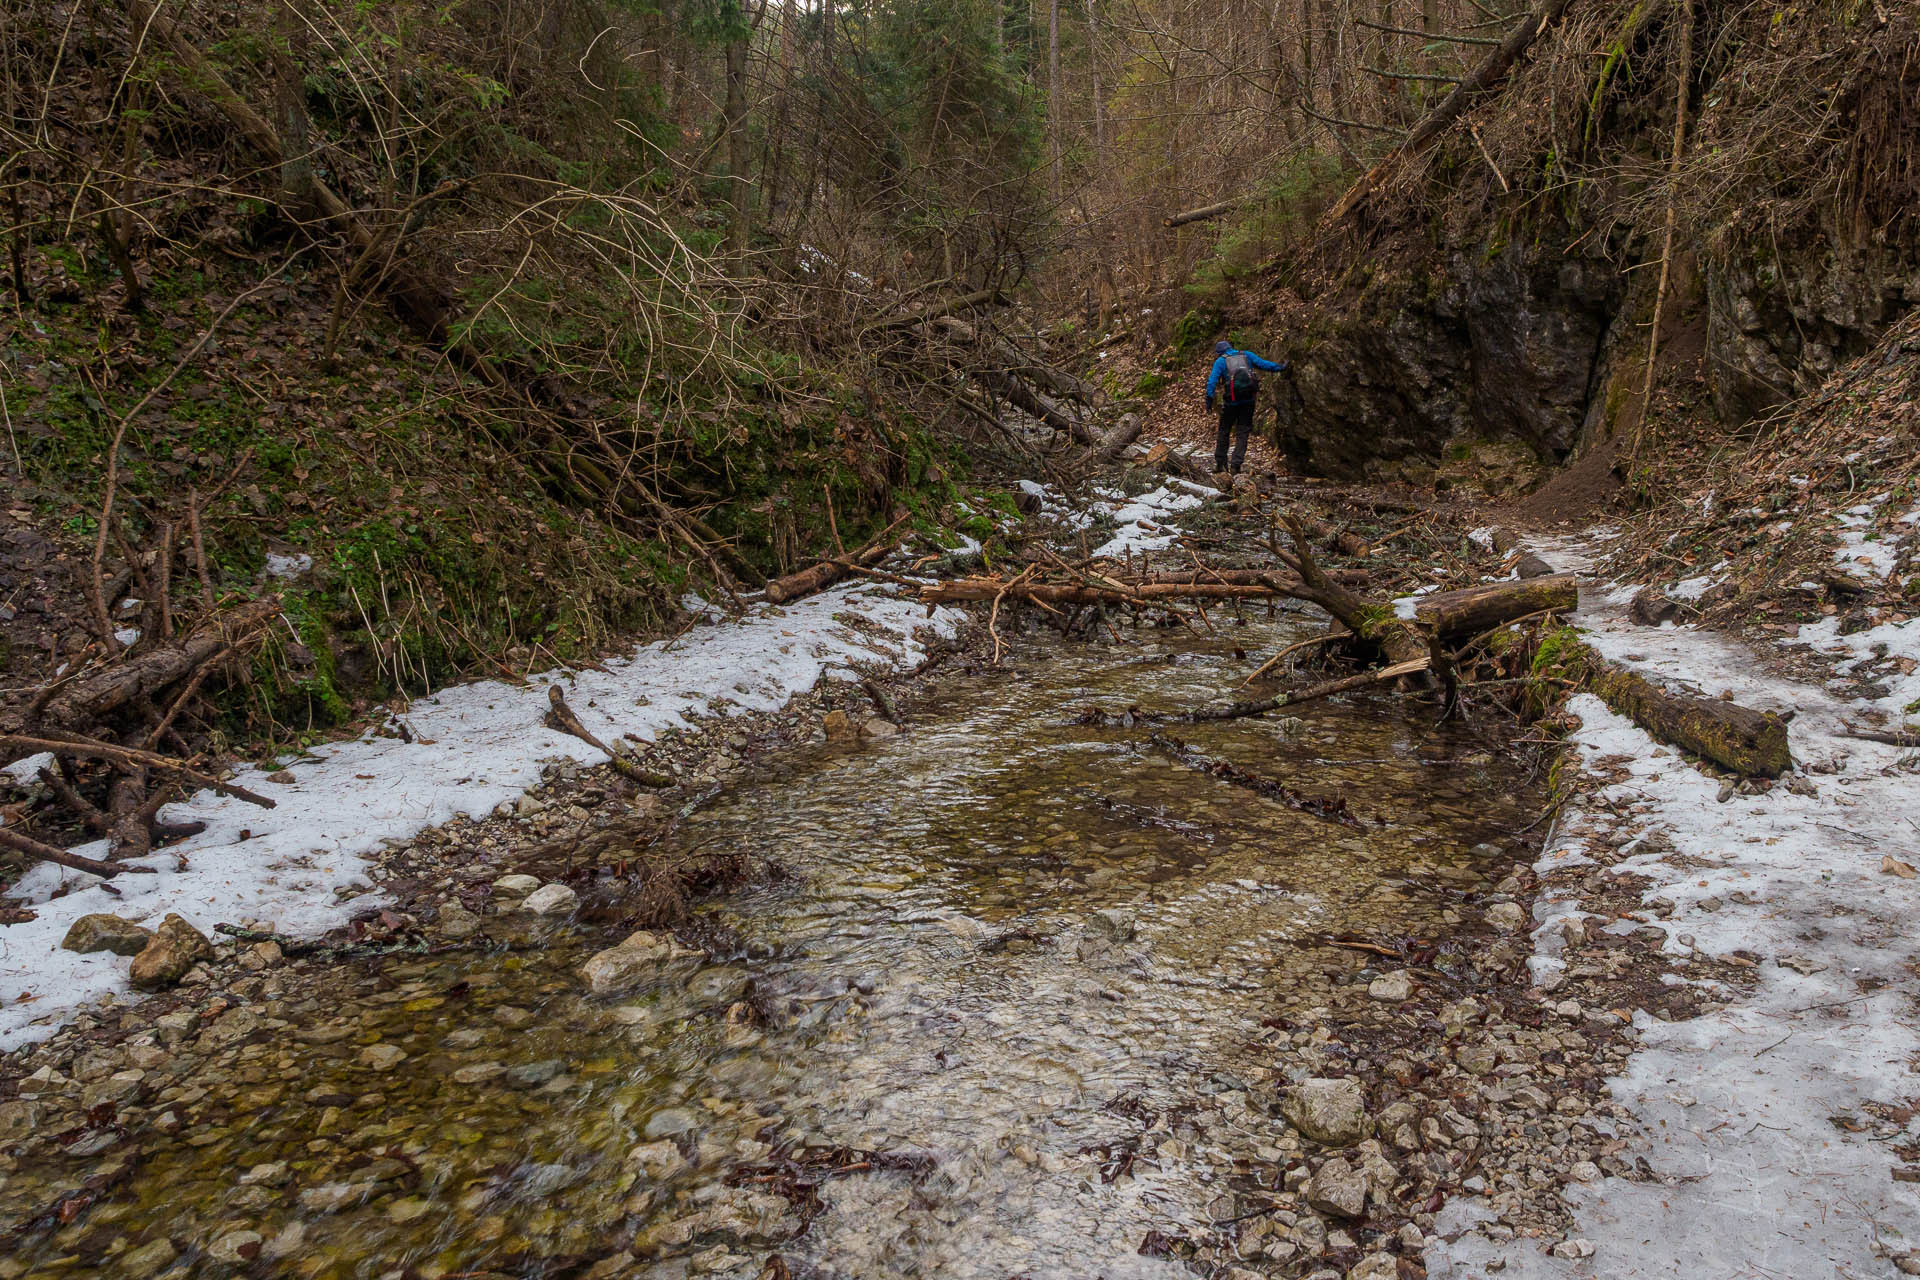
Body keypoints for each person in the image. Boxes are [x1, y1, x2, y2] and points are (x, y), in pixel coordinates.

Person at [1203, 339, 1286, 475]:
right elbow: (1264, 364)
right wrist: (1280, 367)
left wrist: (1209, 401)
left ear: (1219, 353)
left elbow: (1212, 382)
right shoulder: (1247, 355)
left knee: (1224, 431)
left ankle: (1221, 464)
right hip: (1248, 401)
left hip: (1231, 403)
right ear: (1231, 347)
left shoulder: (1220, 361)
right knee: (1243, 432)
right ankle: (1236, 465)